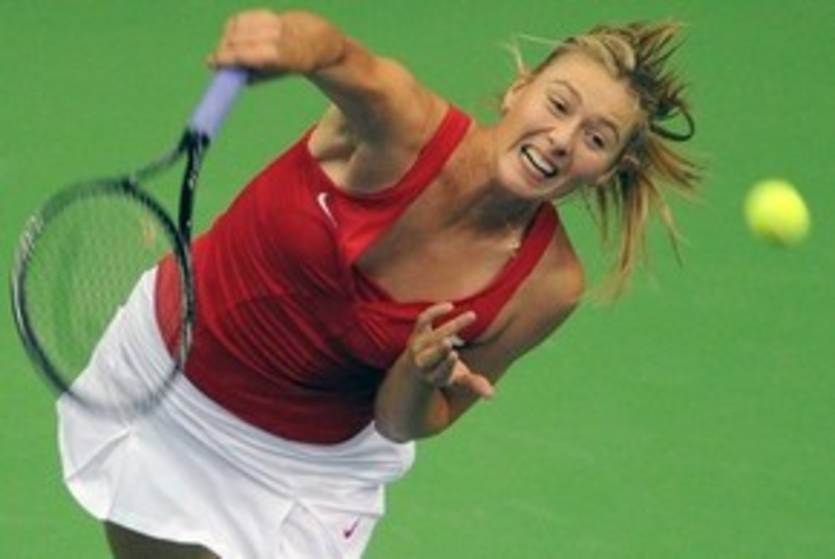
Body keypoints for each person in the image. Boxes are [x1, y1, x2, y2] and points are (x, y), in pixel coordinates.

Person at [57, 9, 698, 559]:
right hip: (166, 383)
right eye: (558, 105)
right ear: (519, 91)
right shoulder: (402, 125)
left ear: (608, 169)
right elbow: (331, 51)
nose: (561, 139)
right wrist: (285, 41)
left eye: (595, 138)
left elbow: (402, 422)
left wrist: (418, 372)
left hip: (303, 469)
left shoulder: (546, 285)